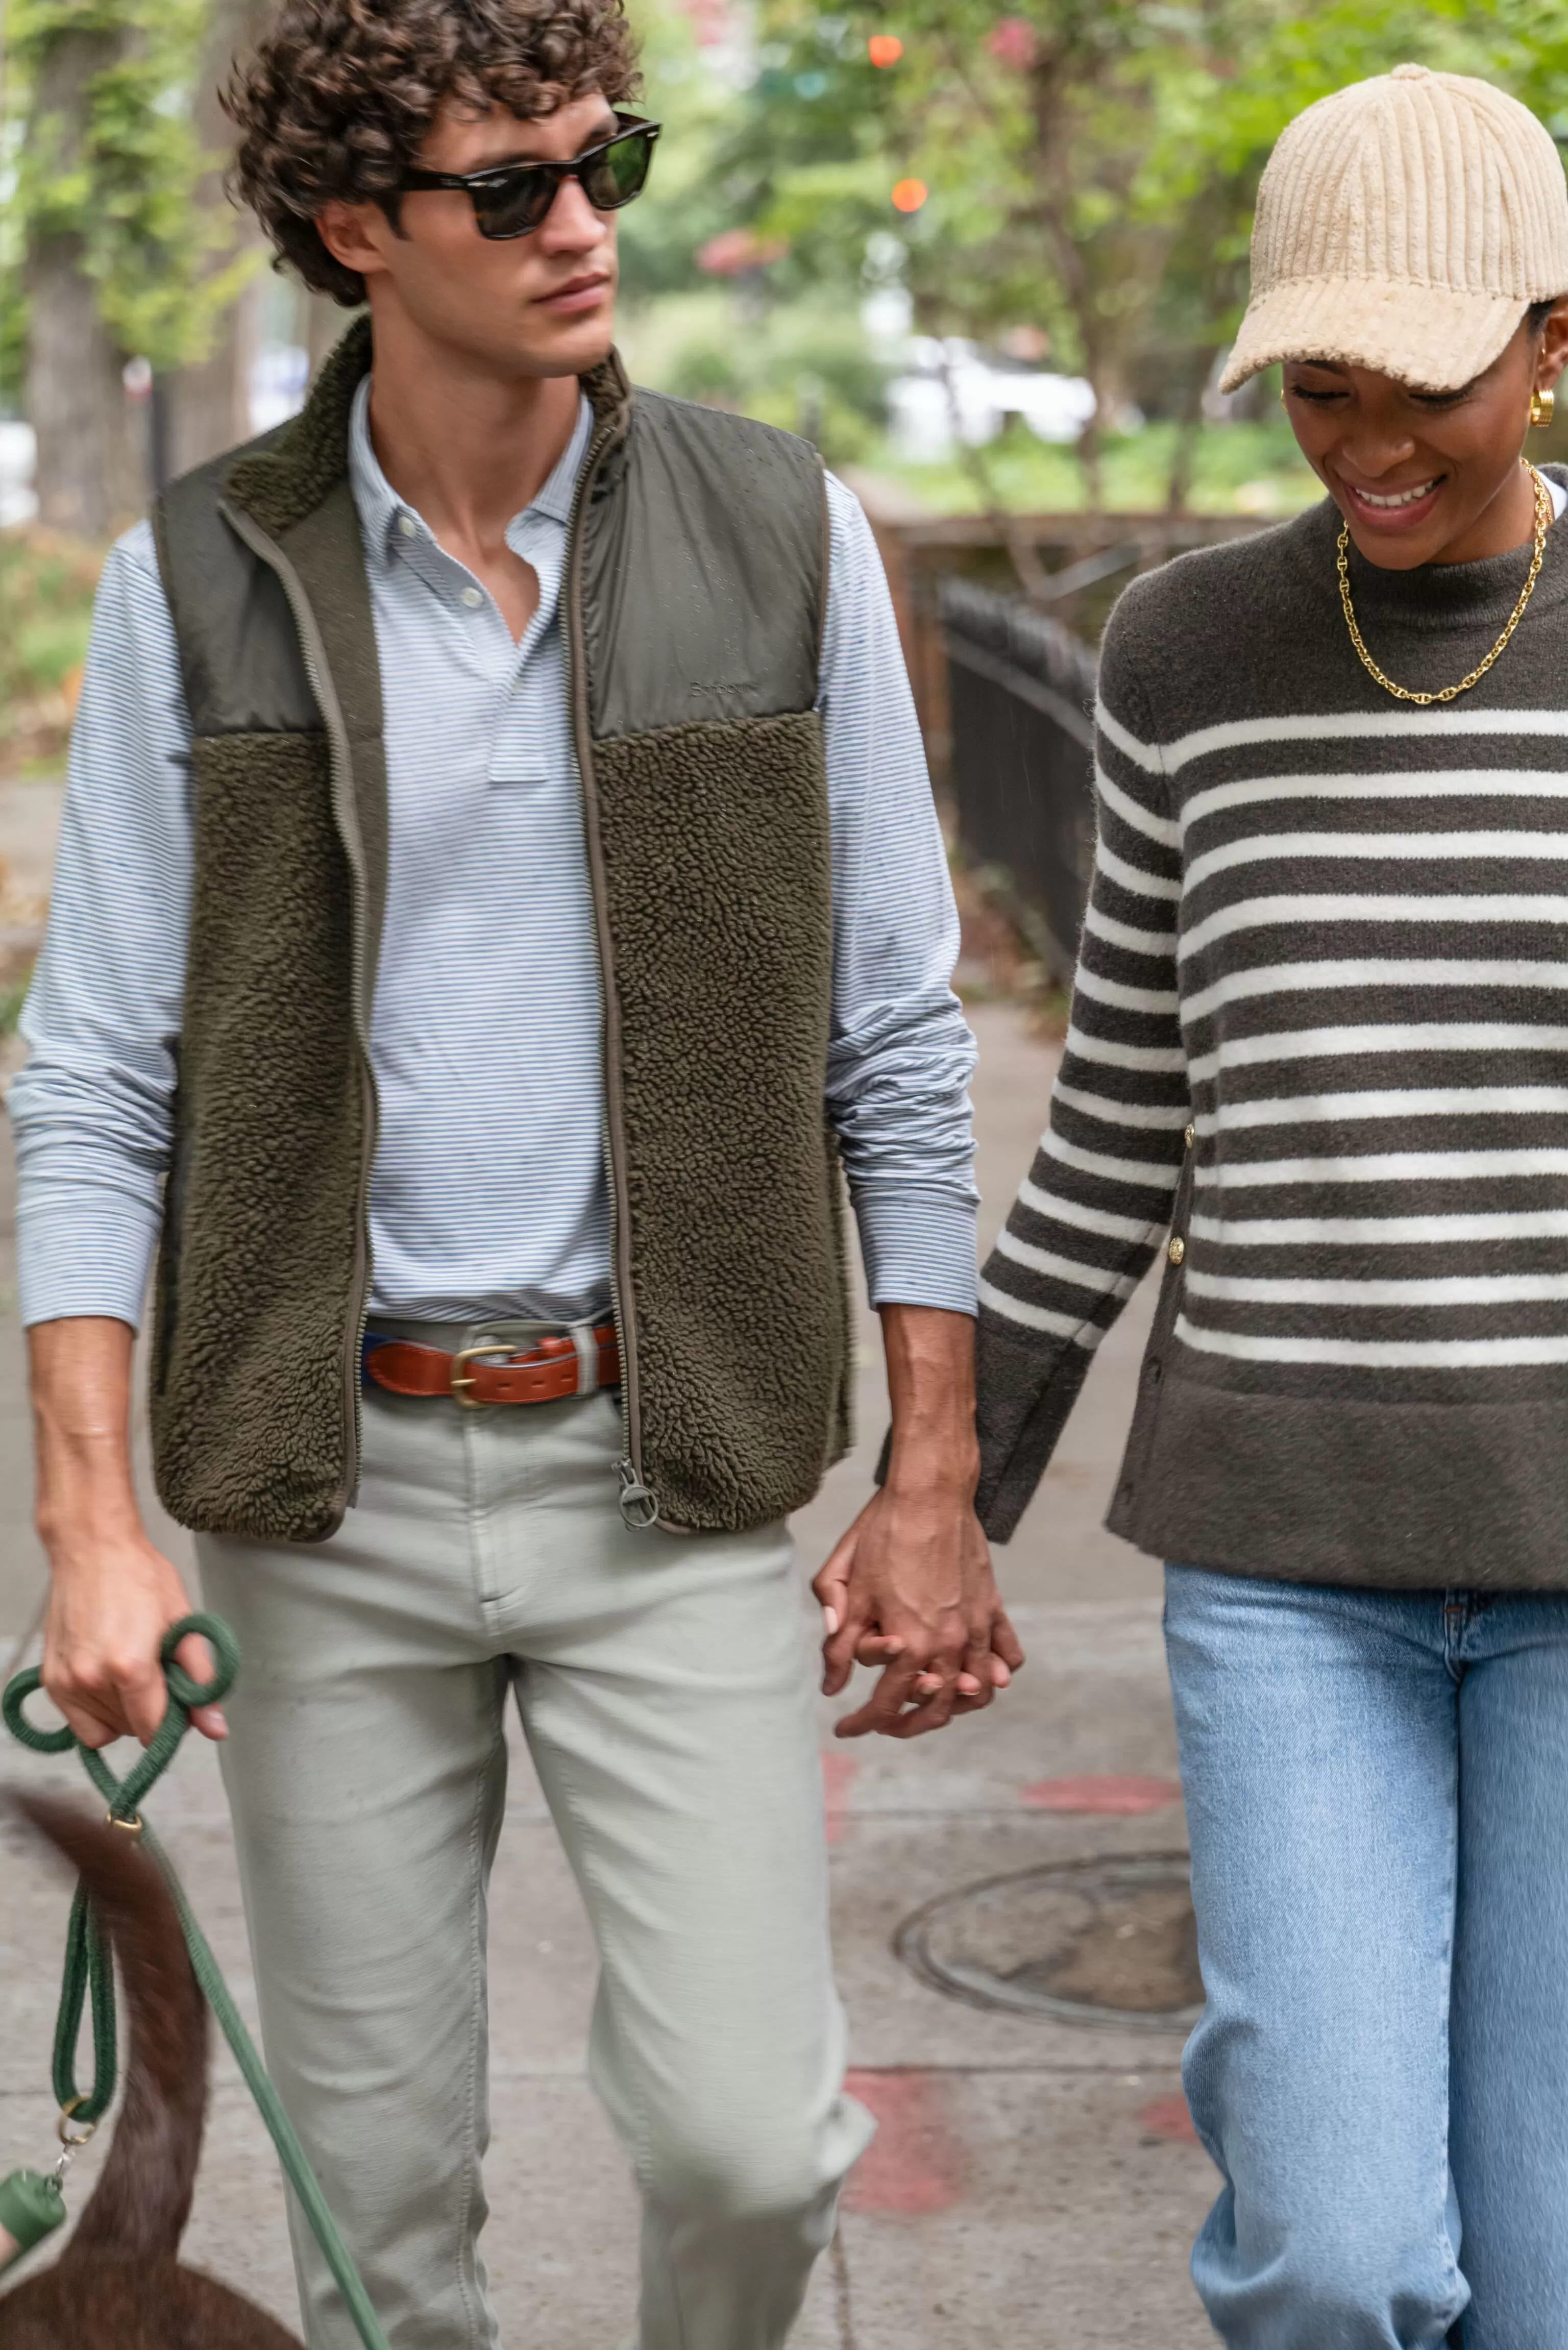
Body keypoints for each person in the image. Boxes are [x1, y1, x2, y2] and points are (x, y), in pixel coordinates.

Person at [8, 2, 1023, 2342]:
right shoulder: (206, 577)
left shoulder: (778, 531)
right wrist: (88, 1516)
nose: (584, 228)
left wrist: (935, 1465)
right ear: (357, 229)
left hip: (666, 1476)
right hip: (324, 1497)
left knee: (749, 2148)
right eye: (513, 187)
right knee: (381, 2218)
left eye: (606, 164)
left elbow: (894, 1027)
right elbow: (95, 1076)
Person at [973, 61, 1568, 2350]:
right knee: (1332, 2255)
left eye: (1423, 382)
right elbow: (1125, 1097)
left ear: (1549, 338)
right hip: (1285, 1570)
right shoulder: (1185, 652)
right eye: (1322, 387)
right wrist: (953, 1476)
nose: (1369, 439)